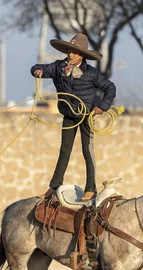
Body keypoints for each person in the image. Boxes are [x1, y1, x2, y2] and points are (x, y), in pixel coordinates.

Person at [31, 33, 116, 201]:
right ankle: (53, 187)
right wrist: (37, 71)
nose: (71, 55)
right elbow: (37, 67)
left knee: (87, 150)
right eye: (69, 51)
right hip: (68, 116)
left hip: (86, 116)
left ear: (81, 55)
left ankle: (90, 188)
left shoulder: (91, 73)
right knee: (64, 150)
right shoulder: (58, 68)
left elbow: (110, 88)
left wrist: (102, 107)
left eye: (74, 52)